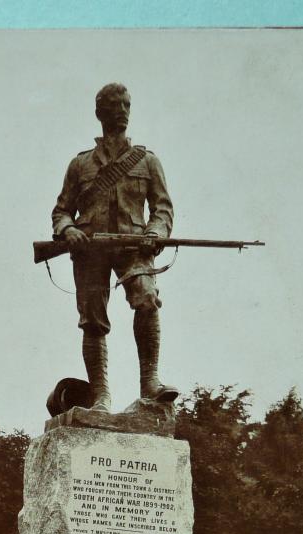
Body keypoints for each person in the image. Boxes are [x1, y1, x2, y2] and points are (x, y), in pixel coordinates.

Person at [51, 82, 179, 412]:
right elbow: (62, 210)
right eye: (114, 105)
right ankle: (101, 395)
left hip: (134, 247)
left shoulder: (147, 161)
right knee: (93, 321)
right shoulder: (80, 165)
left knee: (147, 299)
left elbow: (163, 207)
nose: (121, 110)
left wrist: (155, 232)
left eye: (126, 104)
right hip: (90, 250)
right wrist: (68, 230)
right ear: (99, 113)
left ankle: (150, 384)